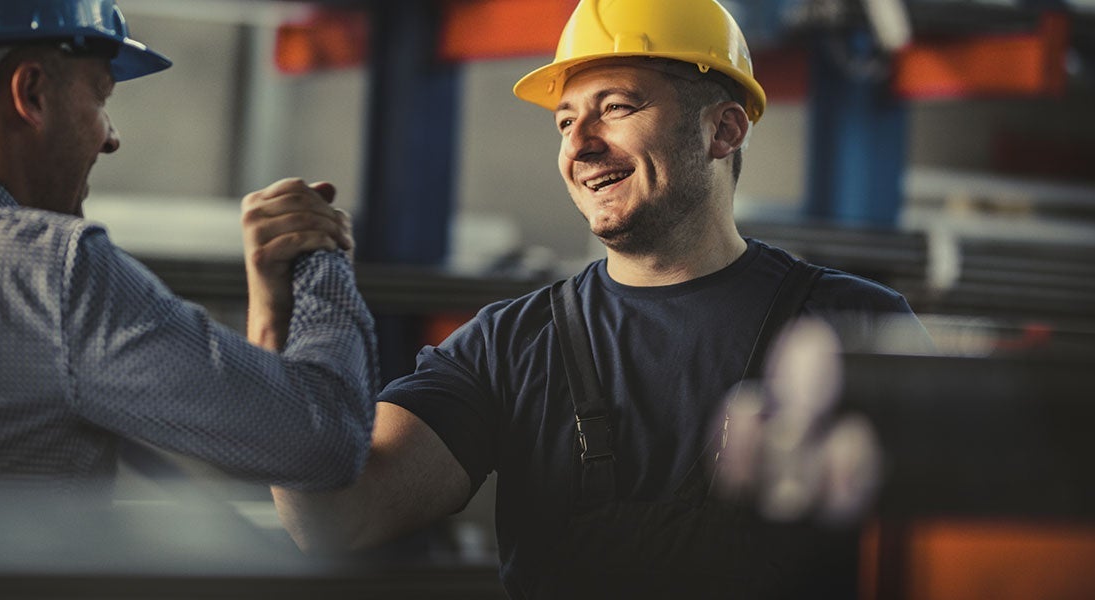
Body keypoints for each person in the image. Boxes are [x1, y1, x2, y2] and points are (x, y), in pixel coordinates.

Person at [255, 0, 930, 596]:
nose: (579, 145)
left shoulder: (855, 326)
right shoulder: (508, 347)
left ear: (724, 130)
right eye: (564, 120)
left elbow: (956, 546)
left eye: (617, 107)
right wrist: (280, 323)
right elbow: (337, 516)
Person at [0, 0, 375, 500]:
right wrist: (318, 253)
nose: (110, 138)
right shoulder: (54, 272)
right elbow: (326, 439)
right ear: (32, 93)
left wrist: (272, 313)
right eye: (100, 98)